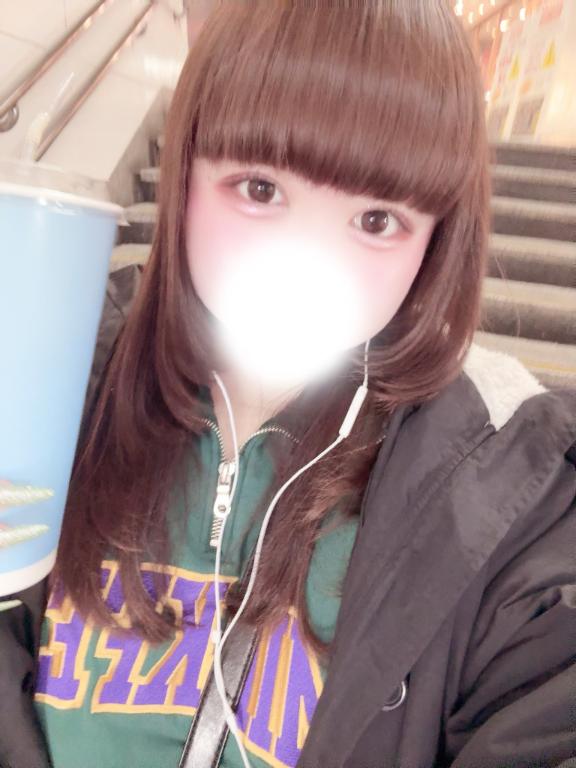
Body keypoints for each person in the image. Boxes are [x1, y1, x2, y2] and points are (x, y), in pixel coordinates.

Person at [1, 2, 575, 767]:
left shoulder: (507, 478)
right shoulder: (57, 374)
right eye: (260, 189)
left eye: (377, 221)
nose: (308, 262)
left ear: (437, 241)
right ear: (185, 172)